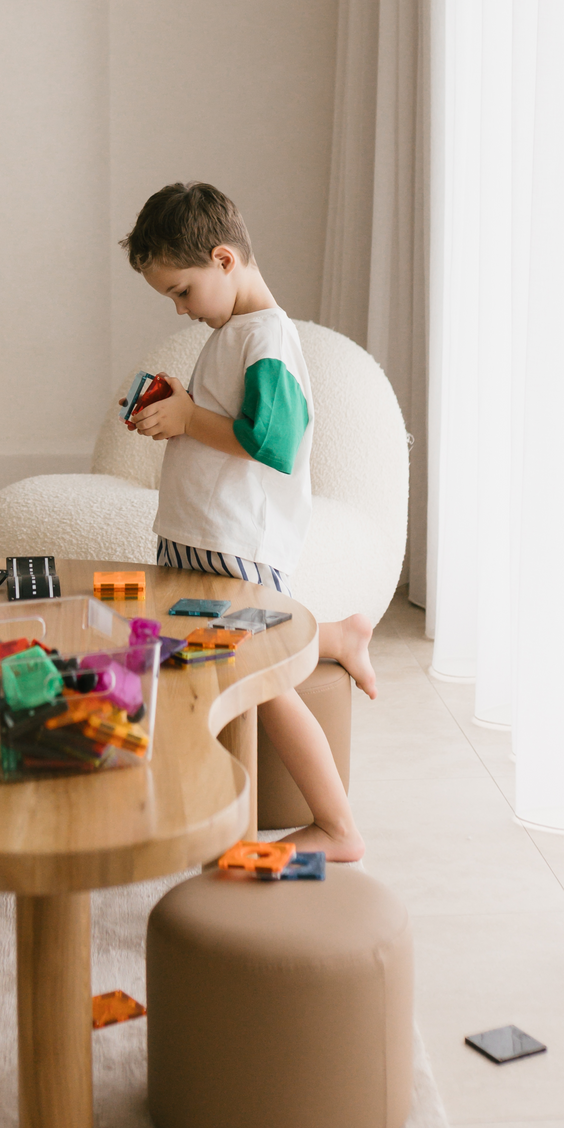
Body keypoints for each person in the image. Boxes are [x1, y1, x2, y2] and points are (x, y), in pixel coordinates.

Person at [119, 181, 373, 862]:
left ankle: (338, 825)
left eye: (182, 290)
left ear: (224, 261)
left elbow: (274, 442)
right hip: (203, 538)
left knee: (263, 682)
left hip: (238, 543)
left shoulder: (268, 337)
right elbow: (224, 419)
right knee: (195, 642)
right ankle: (334, 635)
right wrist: (177, 405)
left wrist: (189, 417)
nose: (180, 308)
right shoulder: (235, 331)